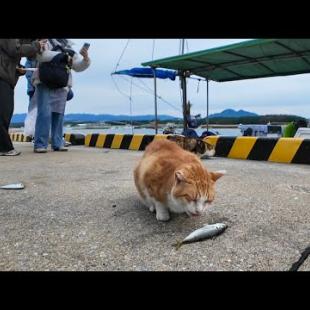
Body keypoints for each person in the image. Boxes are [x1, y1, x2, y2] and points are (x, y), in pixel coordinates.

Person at [32, 39, 90, 153]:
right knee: (44, 112)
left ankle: (57, 143)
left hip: (62, 83)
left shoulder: (68, 46)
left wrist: (85, 58)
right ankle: (40, 143)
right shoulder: (44, 40)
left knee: (58, 114)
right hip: (44, 81)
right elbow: (41, 56)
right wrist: (64, 55)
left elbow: (78, 66)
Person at [0, 39, 43, 156]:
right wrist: (36, 45)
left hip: (6, 76)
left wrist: (18, 69)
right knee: (4, 112)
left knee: (5, 112)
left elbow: (8, 55)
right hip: (3, 77)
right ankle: (4, 147)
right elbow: (15, 49)